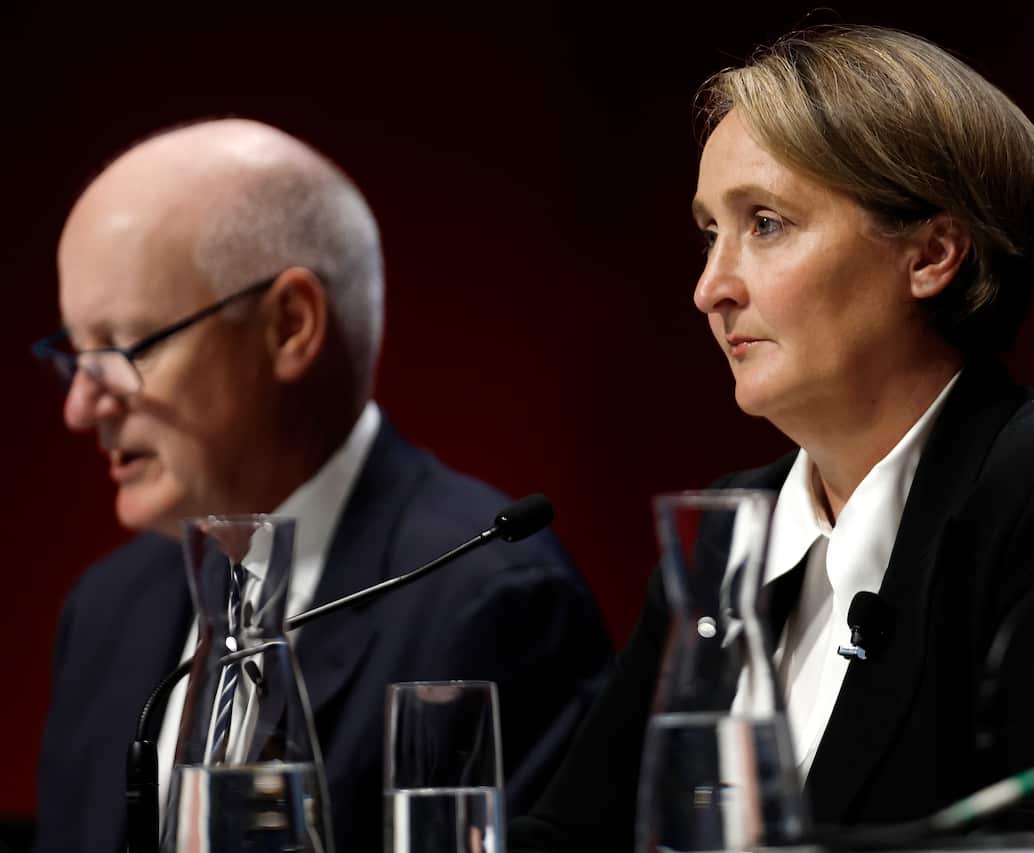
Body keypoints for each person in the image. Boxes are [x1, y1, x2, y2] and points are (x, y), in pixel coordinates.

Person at [508, 26, 1034, 851]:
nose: (709, 289)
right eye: (708, 234)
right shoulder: (730, 531)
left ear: (932, 253)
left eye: (764, 223)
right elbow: (567, 835)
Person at [33, 119, 610, 853]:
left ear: (289, 326)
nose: (80, 406)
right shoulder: (106, 612)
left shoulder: (493, 603)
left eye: (122, 348)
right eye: (72, 355)